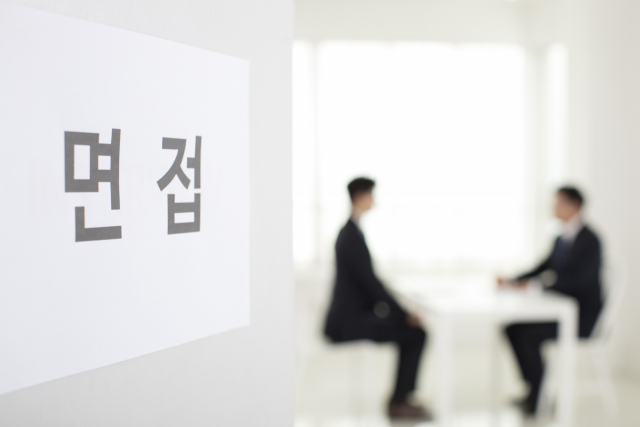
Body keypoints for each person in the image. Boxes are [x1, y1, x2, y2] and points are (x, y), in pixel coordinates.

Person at [323, 177, 431, 420]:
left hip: (352, 317)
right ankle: (400, 401)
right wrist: (403, 314)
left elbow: (369, 286)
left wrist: (397, 313)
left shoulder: (351, 232)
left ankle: (400, 399)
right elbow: (371, 285)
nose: (374, 200)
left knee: (413, 331)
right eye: (371, 195)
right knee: (416, 334)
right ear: (360, 197)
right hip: (348, 324)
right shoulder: (350, 236)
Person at [498, 186, 603, 416]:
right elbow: (543, 266)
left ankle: (538, 398)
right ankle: (535, 392)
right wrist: (514, 281)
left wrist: (538, 287)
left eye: (558, 203)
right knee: (513, 329)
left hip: (581, 317)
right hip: (558, 311)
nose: (553, 208)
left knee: (527, 335)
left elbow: (581, 282)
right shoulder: (561, 237)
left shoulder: (591, 240)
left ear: (574, 206)